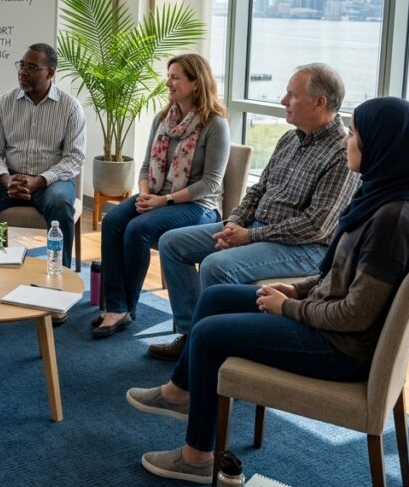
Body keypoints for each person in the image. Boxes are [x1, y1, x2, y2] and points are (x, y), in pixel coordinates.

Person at [127, 96, 409, 485]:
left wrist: (287, 308)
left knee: (206, 335)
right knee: (215, 298)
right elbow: (338, 277)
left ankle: (197, 457)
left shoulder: (394, 220)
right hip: (328, 322)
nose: (347, 141)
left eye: (355, 133)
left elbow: (355, 314)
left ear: (382, 144)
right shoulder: (383, 198)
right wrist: (296, 289)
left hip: (338, 347)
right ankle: (180, 391)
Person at [148, 64, 359, 360]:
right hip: (257, 228)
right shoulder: (290, 138)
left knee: (215, 266)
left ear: (319, 103)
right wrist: (234, 223)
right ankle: (191, 334)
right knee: (172, 243)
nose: (283, 101)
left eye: (292, 95)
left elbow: (316, 226)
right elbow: (258, 191)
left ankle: (215, 348)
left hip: (306, 247)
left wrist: (249, 236)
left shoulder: (341, 152)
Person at [92, 54, 230, 339]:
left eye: (175, 77)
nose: (168, 83)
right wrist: (145, 195)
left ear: (196, 83)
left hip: (198, 206)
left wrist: (163, 201)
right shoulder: (162, 120)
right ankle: (116, 305)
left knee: (137, 228)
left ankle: (126, 309)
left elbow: (210, 183)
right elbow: (145, 167)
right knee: (113, 220)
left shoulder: (215, 125)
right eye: (169, 76)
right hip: (156, 197)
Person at [0, 43, 86, 270]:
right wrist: (5, 178)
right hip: (9, 179)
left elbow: (74, 158)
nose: (23, 72)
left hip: (51, 181)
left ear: (50, 73)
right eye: (21, 65)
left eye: (31, 67)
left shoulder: (70, 107)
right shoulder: (4, 103)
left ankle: (61, 274)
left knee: (59, 203)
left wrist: (40, 180)